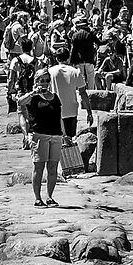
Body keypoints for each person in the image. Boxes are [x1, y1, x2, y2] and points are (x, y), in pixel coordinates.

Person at [20, 67, 67, 207]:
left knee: (53, 167)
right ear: (36, 81)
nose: (45, 83)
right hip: (39, 135)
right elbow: (20, 102)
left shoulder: (55, 97)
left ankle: (50, 196)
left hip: (55, 135)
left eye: (47, 80)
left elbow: (60, 116)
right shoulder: (33, 98)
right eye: (42, 80)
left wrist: (65, 134)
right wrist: (34, 92)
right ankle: (37, 198)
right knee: (38, 167)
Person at [46, 48, 87, 179]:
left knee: (58, 139)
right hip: (72, 108)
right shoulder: (76, 71)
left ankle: (59, 168)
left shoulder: (50, 71)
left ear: (56, 58)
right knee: (71, 138)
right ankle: (72, 166)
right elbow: (83, 92)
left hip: (55, 110)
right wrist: (90, 111)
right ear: (68, 58)